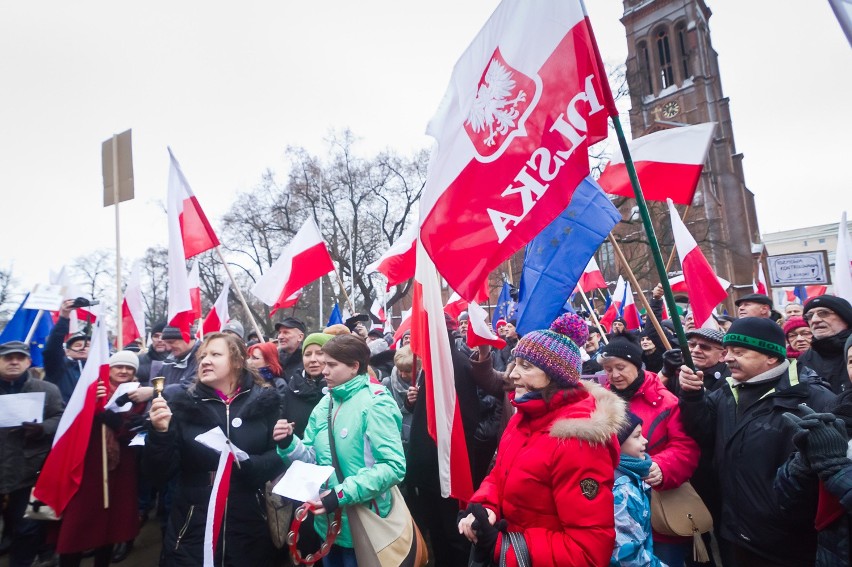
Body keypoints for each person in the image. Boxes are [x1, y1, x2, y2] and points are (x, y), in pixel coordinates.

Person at [458, 312, 625, 566]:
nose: (512, 375)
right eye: (515, 363)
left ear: (555, 377)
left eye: (526, 366)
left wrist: (505, 548)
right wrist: (485, 507)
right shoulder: (523, 418)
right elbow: (499, 474)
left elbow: (588, 553)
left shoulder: (578, 441)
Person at [679, 317, 836, 566]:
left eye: (739, 352)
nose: (728, 358)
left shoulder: (813, 399)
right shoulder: (726, 392)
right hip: (734, 532)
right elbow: (703, 433)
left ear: (771, 357)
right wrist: (693, 397)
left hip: (788, 542)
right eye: (728, 351)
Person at [145, 333, 285, 566]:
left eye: (215, 354)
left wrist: (249, 466)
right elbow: (157, 475)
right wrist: (160, 434)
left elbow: (280, 456)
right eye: (202, 357)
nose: (205, 361)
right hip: (192, 524)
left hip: (249, 524)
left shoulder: (266, 403)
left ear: (238, 361)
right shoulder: (182, 404)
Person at [273, 335, 406, 567]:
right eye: (324, 364)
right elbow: (312, 458)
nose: (324, 370)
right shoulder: (325, 404)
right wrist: (288, 444)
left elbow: (393, 467)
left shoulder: (377, 403)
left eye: (332, 365)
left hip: (366, 523)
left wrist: (341, 494)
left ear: (355, 367)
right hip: (328, 525)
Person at [599, 333, 700, 567]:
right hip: (613, 512)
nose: (614, 375)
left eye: (620, 367)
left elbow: (685, 447)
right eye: (608, 369)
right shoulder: (599, 401)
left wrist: (662, 466)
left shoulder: (666, 401)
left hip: (658, 508)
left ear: (636, 365)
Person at [54, 351, 146, 567]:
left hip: (121, 469)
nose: (124, 371)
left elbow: (140, 433)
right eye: (118, 367)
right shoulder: (91, 391)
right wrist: (91, 407)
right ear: (109, 369)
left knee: (111, 525)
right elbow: (71, 424)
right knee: (79, 523)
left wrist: (120, 425)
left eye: (129, 368)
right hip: (88, 468)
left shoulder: (138, 397)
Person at [0, 341, 64, 567]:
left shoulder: (47, 389)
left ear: (28, 361)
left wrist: (43, 428)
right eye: (8, 358)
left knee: (27, 527)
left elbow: (60, 418)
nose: (14, 362)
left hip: (29, 470)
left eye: (20, 357)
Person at [610, 412, 666, 567]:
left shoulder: (631, 475)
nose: (645, 440)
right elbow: (626, 555)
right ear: (616, 443)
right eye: (637, 436)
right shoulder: (623, 489)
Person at [281, 332, 331, 439]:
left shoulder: (340, 390)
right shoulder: (290, 389)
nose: (312, 359)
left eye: (320, 353)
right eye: (307, 354)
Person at [799, 296, 852, 394]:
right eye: (810, 316)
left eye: (823, 313)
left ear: (845, 318)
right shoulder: (804, 359)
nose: (815, 320)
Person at [43, 299, 90, 402]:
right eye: (77, 345)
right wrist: (64, 317)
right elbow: (52, 348)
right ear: (67, 351)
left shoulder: (98, 369)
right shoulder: (58, 366)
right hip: (62, 414)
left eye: (87, 346)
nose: (83, 348)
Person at [381, 345, 418, 451]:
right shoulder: (387, 382)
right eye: (400, 370)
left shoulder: (423, 383)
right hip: (393, 436)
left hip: (414, 436)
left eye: (407, 371)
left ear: (417, 367)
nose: (403, 374)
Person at [275, 316, 306, 382]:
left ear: (300, 337)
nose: (280, 337)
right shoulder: (274, 359)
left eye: (286, 332)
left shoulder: (308, 361)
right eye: (279, 333)